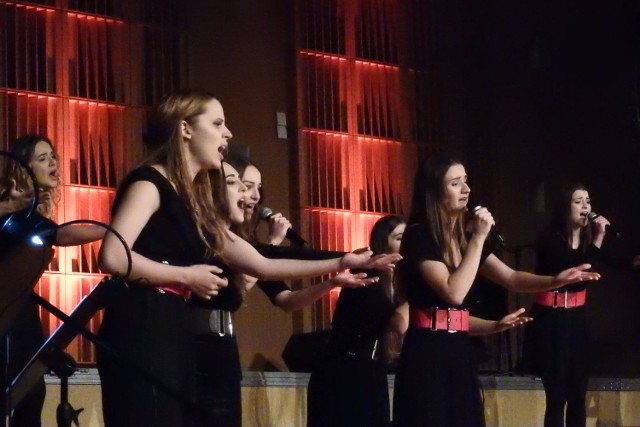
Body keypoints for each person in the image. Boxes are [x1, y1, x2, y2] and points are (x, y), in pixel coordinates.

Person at [96, 89, 401, 427]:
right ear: (185, 129)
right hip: (142, 324)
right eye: (217, 123)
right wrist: (186, 276)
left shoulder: (191, 201)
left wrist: (342, 261)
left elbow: (263, 265)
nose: (227, 133)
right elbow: (112, 256)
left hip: (173, 328)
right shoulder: (149, 183)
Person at [391, 155, 601, 427]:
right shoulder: (420, 235)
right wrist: (478, 238)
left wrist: (555, 281)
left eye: (466, 181)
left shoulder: (463, 237)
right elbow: (452, 293)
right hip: (428, 352)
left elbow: (511, 278)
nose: (467, 189)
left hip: (458, 349)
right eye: (456, 183)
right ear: (434, 191)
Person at [0, 134, 105, 427]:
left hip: (23, 320)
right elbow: (61, 234)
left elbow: (54, 232)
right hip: (6, 322)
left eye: (53, 156)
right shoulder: (10, 208)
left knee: (31, 399)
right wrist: (110, 230)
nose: (53, 162)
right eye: (42, 158)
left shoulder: (32, 214)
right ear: (24, 166)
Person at [520, 183, 615, 427]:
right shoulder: (549, 240)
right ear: (565, 207)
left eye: (588, 200)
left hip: (577, 321)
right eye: (578, 201)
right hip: (551, 322)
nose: (586, 206)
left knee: (578, 396)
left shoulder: (586, 243)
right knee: (557, 398)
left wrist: (599, 239)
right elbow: (573, 272)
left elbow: (591, 273)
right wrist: (597, 240)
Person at [306, 215, 405, 427]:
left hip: (373, 368)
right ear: (382, 244)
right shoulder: (365, 274)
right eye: (399, 237)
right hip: (345, 370)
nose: (405, 244)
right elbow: (397, 322)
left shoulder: (400, 283)